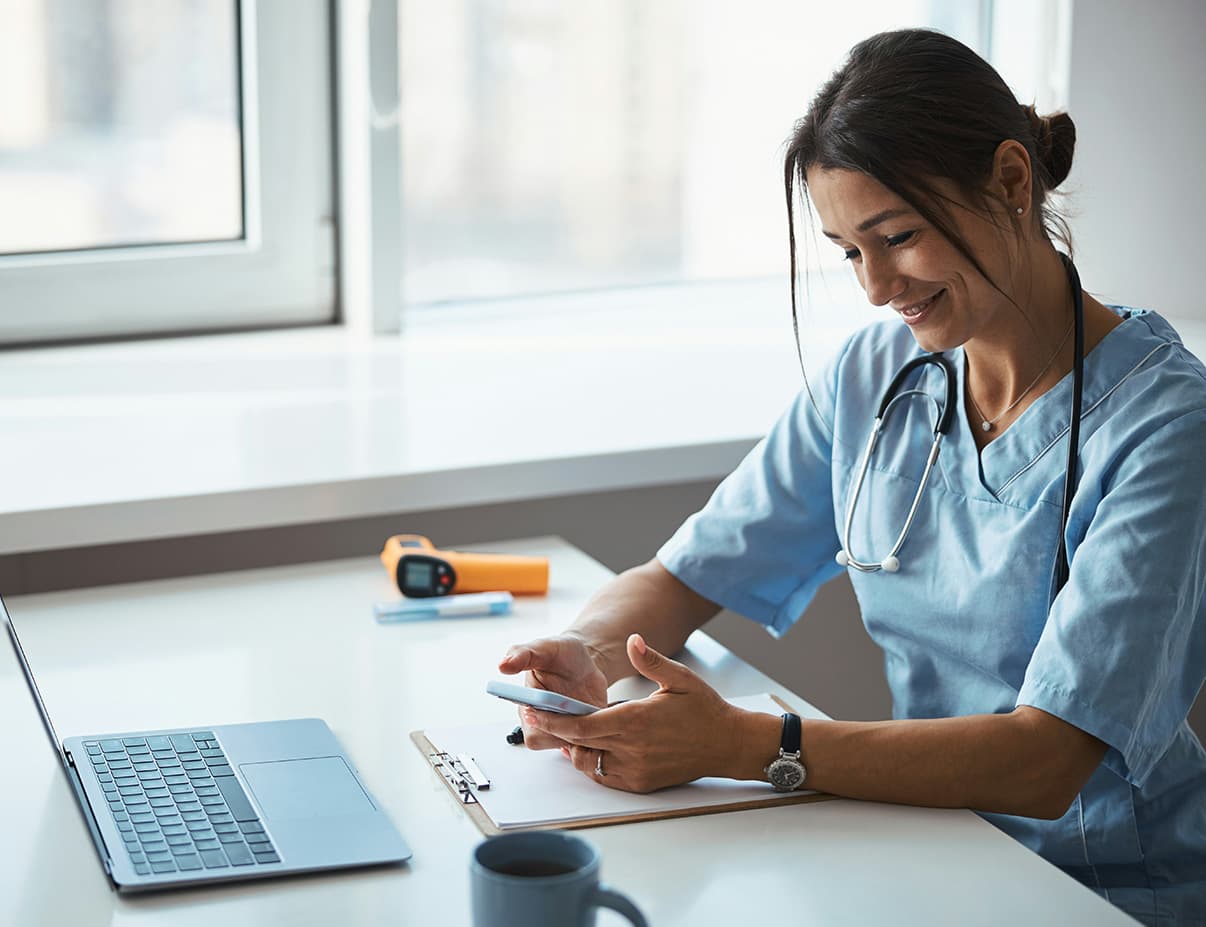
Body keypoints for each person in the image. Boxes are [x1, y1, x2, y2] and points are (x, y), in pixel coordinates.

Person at [498, 29, 1206, 925]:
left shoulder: (1166, 427)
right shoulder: (876, 378)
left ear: (1013, 182)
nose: (877, 287)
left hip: (1102, 892)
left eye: (898, 236)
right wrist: (586, 655)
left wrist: (750, 744)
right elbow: (680, 577)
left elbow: (1046, 761)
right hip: (924, 848)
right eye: (847, 251)